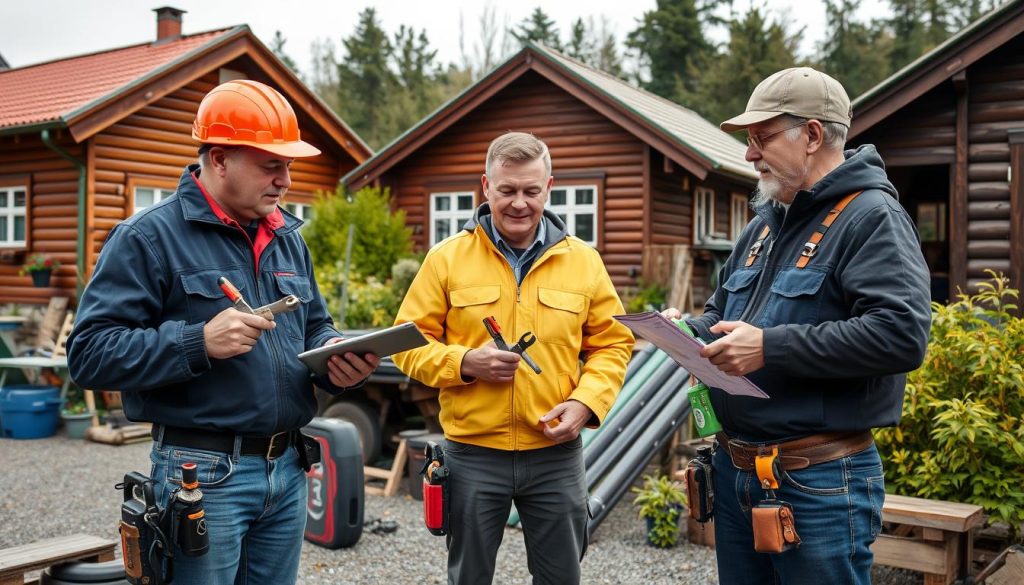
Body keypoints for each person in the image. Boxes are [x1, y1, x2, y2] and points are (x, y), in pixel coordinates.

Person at [67, 79, 378, 585]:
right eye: (270, 164)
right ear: (218, 159)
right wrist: (197, 342)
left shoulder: (286, 238)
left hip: (287, 468)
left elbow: (315, 324)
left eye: (289, 165)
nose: (285, 180)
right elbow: (89, 354)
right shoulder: (148, 238)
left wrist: (334, 355)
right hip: (203, 475)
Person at [663, 67, 931, 585]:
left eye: (761, 139)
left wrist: (770, 348)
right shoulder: (764, 223)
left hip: (819, 482)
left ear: (811, 135)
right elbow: (724, 316)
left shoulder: (872, 217)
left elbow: (901, 334)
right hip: (737, 470)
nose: (748, 154)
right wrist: (686, 333)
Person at [392, 131, 634, 585]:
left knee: (561, 576)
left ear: (549, 186)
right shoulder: (446, 260)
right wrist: (466, 363)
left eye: (531, 190)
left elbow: (613, 343)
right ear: (486, 186)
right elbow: (408, 344)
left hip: (555, 454)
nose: (519, 203)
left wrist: (585, 404)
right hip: (472, 453)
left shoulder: (585, 262)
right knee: (469, 576)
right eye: (507, 190)